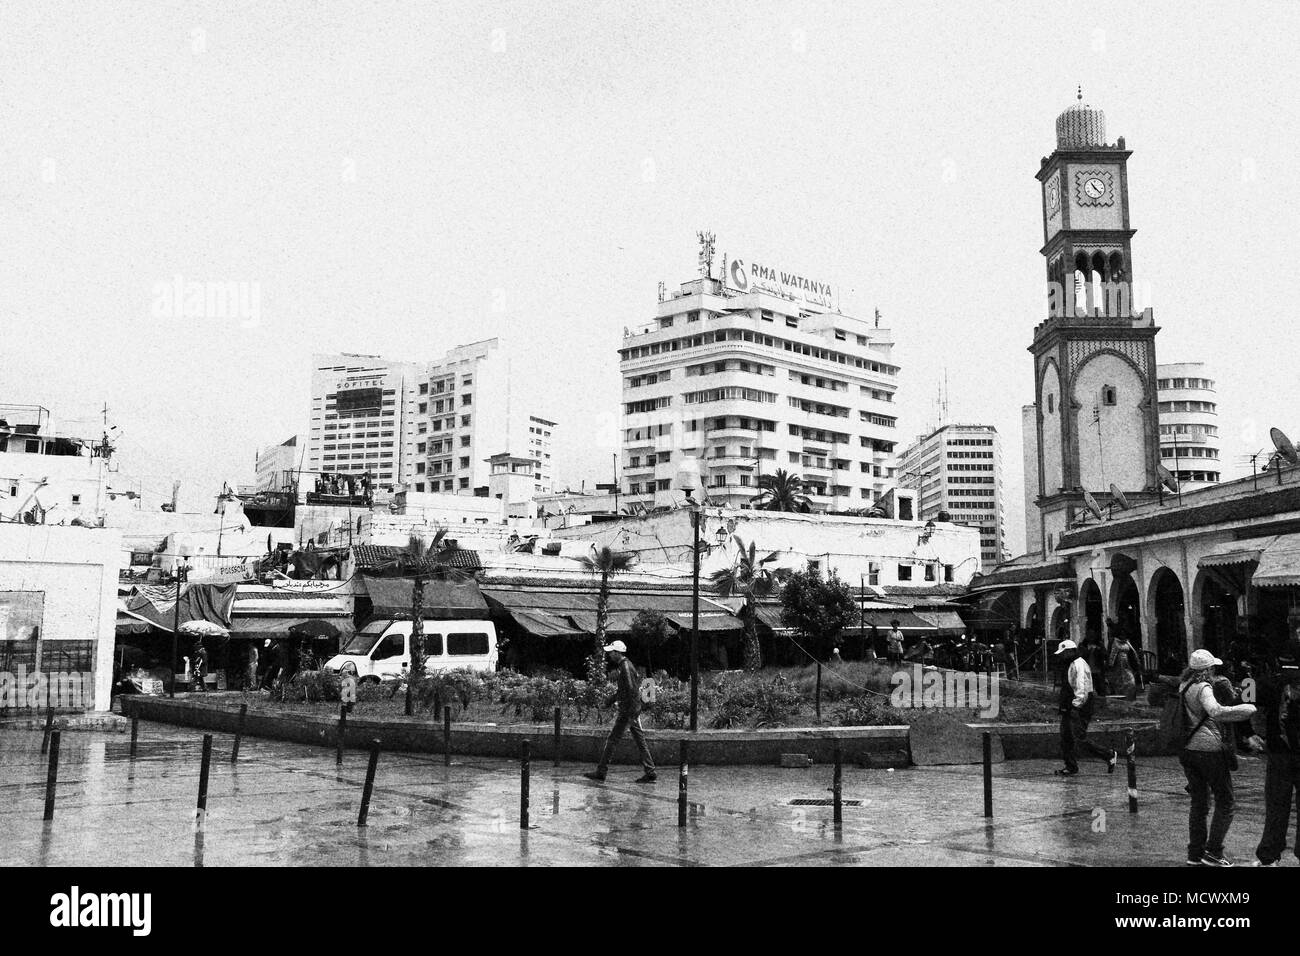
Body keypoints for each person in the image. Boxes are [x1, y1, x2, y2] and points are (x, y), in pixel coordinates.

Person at [1178, 648, 1256, 867]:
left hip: (1188, 749)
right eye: (1212, 668)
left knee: (1199, 803)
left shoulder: (1183, 686)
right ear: (1207, 669)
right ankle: (1213, 851)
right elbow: (1216, 711)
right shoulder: (1203, 687)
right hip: (1209, 750)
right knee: (1226, 801)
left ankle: (1195, 854)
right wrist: (1245, 709)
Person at [1253, 639, 1300, 867]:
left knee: (1277, 805)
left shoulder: (1267, 681)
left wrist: (1246, 733)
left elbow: (1242, 694)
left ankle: (1269, 856)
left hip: (1279, 754)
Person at [584, 641, 656, 784]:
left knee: (612, 740)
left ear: (617, 653)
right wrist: (609, 702)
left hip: (628, 711)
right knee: (640, 740)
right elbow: (623, 690)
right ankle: (650, 771)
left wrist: (626, 709)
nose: (610, 655)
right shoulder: (627, 665)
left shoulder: (625, 667)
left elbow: (630, 689)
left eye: (611, 652)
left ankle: (601, 771)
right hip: (633, 709)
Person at [1054, 639, 1117, 776]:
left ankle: (1108, 754)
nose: (1061, 656)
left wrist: (1076, 707)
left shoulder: (1079, 665)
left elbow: (1081, 689)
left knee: (1078, 738)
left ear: (1070, 651)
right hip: (1069, 707)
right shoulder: (1070, 664)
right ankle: (1070, 766)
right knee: (1066, 738)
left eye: (1063, 653)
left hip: (1079, 707)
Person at [1108, 632, 1142, 701]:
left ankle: (1130, 698)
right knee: (1119, 683)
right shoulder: (1114, 641)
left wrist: (1136, 662)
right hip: (1117, 665)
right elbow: (1112, 654)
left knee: (1131, 682)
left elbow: (1133, 653)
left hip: (1127, 664)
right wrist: (1110, 665)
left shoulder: (1127, 642)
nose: (1123, 636)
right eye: (1121, 634)